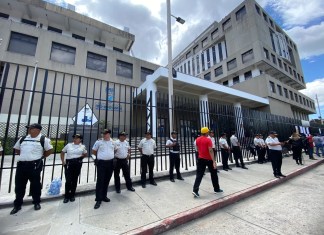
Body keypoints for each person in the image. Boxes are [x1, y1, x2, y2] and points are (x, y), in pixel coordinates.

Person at [10, 123, 53, 215]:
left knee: (36, 185)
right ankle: (17, 204)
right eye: (29, 128)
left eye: (31, 128)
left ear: (38, 130)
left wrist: (39, 157)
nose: (29, 130)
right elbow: (17, 149)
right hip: (22, 165)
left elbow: (49, 150)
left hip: (34, 165)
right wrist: (25, 156)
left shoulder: (43, 139)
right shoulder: (23, 138)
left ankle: (36, 202)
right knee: (19, 186)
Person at [192, 127, 223, 197]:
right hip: (209, 159)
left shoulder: (197, 139)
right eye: (208, 132)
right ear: (206, 133)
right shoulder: (208, 140)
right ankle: (216, 189)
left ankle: (195, 190)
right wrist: (214, 161)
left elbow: (196, 148)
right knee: (214, 174)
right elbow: (210, 150)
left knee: (199, 175)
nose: (209, 133)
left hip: (200, 158)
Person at [60, 134, 87, 203]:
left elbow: (85, 154)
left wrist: (81, 157)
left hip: (77, 163)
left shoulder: (82, 146)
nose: (75, 139)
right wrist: (63, 161)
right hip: (69, 163)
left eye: (77, 138)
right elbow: (62, 152)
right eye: (74, 138)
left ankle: (72, 195)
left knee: (75, 179)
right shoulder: (69, 145)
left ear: (80, 139)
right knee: (68, 180)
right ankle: (66, 196)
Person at [92, 129, 115, 209]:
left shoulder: (113, 142)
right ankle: (98, 199)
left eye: (105, 134)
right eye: (103, 133)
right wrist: (95, 159)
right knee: (100, 181)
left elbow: (115, 150)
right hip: (101, 163)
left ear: (109, 134)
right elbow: (93, 151)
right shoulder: (99, 142)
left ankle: (104, 196)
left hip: (110, 163)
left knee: (106, 180)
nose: (104, 135)